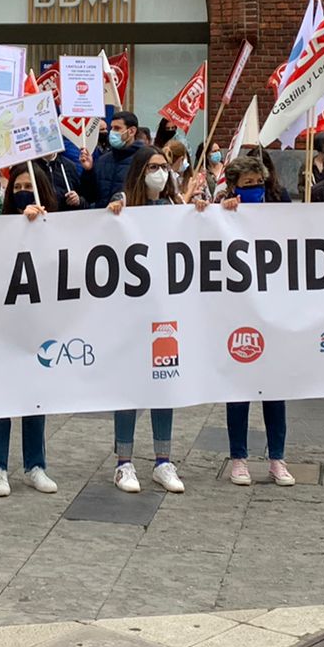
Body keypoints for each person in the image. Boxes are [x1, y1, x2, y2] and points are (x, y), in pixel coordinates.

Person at [101, 147, 194, 493]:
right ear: (140, 172)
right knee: (129, 387)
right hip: (130, 312)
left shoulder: (174, 206)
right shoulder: (124, 202)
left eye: (163, 167)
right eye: (153, 167)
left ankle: (163, 460)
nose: (160, 172)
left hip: (166, 312)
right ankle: (123, 463)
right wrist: (111, 216)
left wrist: (197, 212)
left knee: (164, 381)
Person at [217, 153, 294, 486]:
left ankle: (277, 457)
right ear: (234, 186)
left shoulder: (279, 204)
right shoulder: (221, 211)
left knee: (274, 387)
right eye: (247, 185)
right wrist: (223, 211)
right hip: (237, 309)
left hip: (273, 307)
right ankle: (239, 458)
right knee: (239, 386)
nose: (254, 189)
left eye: (258, 183)